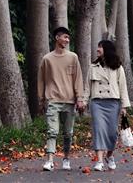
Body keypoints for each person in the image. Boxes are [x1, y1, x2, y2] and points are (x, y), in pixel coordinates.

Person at [37, 26, 86, 171]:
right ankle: (50, 160)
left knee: (68, 133)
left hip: (70, 101)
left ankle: (66, 158)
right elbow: (41, 80)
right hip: (52, 100)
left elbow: (78, 79)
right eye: (65, 37)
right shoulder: (47, 59)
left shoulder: (73, 57)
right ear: (57, 38)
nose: (67, 40)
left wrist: (80, 98)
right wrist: (41, 99)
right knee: (52, 131)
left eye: (68, 38)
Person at [86, 39, 131, 171]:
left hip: (113, 103)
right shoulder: (92, 67)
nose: (97, 50)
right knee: (98, 130)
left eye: (100, 47)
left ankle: (109, 156)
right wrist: (83, 99)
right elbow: (87, 87)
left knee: (113, 133)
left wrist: (124, 106)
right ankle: (99, 160)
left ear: (107, 49)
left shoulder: (118, 67)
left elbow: (123, 88)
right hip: (97, 103)